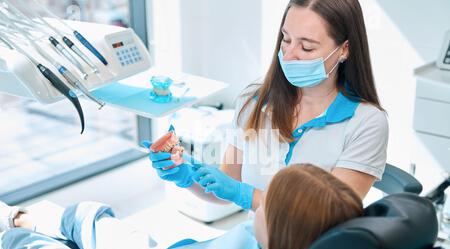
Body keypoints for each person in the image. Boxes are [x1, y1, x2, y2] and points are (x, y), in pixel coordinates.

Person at [143, 0, 389, 213]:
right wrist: (188, 176)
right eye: (286, 38)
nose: (289, 55)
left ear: (344, 49)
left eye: (306, 47)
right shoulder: (255, 102)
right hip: (254, 247)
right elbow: (228, 184)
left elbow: (331, 214)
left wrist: (246, 195)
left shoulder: (366, 123)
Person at [0, 164, 363, 249]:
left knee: (20, 247)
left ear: (283, 231)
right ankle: (23, 219)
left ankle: (13, 228)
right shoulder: (267, 241)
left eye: (266, 201)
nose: (259, 200)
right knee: (86, 215)